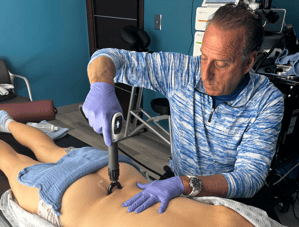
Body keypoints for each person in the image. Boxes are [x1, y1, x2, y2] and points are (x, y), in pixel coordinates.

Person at [82, 0, 284, 222]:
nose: (205, 74)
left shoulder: (267, 100)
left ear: (248, 63)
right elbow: (109, 56)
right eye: (204, 57)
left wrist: (185, 184)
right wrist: (101, 85)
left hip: (231, 196)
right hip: (177, 182)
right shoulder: (181, 71)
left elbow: (249, 178)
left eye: (221, 64)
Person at [0, 110, 260, 227]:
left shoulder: (237, 222)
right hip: (76, 201)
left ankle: (6, 120)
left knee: (50, 150)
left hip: (121, 171)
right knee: (13, 161)